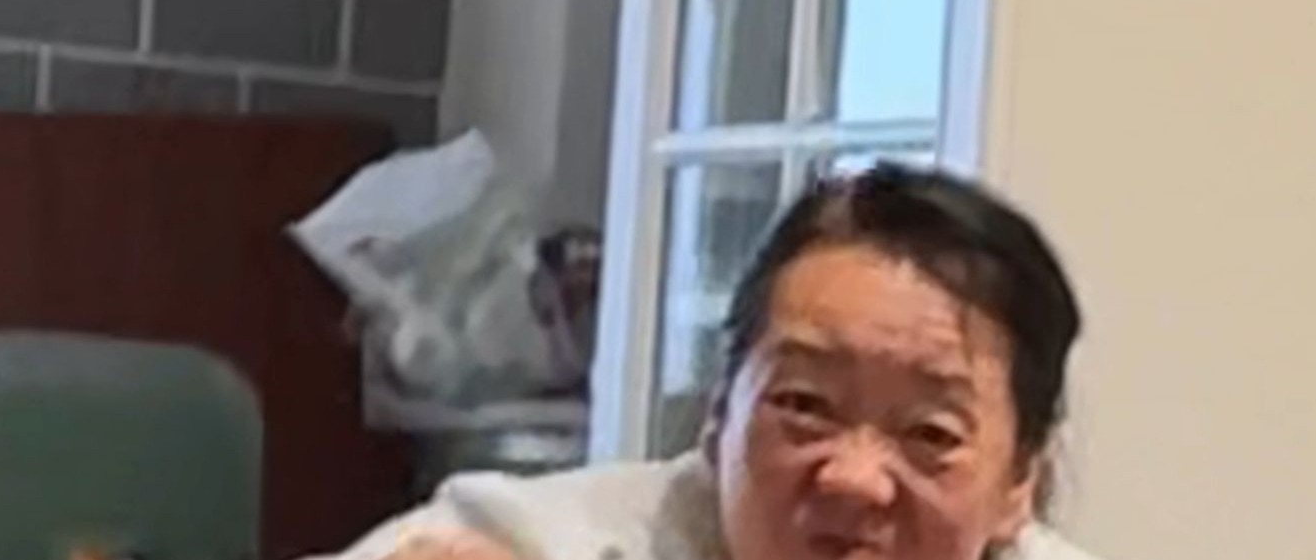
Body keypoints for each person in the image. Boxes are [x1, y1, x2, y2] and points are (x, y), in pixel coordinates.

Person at [312, 164, 1104, 560]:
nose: (854, 477)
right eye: (805, 405)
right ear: (719, 416)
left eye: (930, 432)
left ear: (1019, 481)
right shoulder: (541, 542)